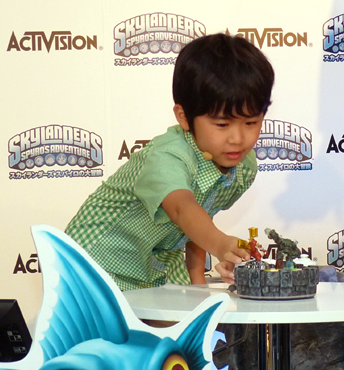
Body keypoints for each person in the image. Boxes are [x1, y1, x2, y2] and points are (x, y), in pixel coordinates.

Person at [65, 33, 274, 290]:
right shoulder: (168, 156)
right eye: (222, 124)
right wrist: (221, 244)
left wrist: (198, 281)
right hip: (92, 264)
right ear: (184, 117)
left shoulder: (243, 166)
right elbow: (183, 210)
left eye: (251, 122)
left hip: (150, 267)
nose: (238, 139)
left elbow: (200, 218)